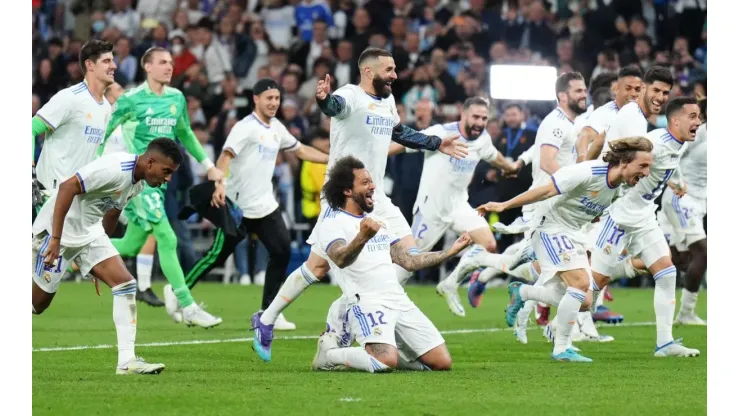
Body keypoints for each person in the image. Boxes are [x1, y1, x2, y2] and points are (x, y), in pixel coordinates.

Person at [251, 47, 467, 362]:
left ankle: (363, 313)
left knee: (409, 254)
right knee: (318, 266)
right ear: (368, 71)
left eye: (395, 69)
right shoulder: (349, 95)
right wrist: (324, 99)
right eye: (389, 69)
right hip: (343, 196)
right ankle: (267, 320)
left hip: (375, 196)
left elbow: (399, 132)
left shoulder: (389, 101)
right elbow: (334, 107)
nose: (395, 75)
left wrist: (435, 143)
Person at [478, 137, 654, 362]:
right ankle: (562, 348)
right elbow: (545, 191)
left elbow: (591, 213)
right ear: (625, 162)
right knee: (580, 283)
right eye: (643, 166)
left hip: (573, 234)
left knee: (585, 302)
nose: (647, 173)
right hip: (549, 227)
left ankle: (522, 292)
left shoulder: (616, 190)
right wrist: (504, 206)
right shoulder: (587, 172)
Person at [183, 78, 330, 330]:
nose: (274, 103)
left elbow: (302, 150)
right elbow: (226, 155)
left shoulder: (276, 128)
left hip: (265, 206)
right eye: (269, 98)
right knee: (215, 258)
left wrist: (331, 159)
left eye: (277, 98)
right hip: (238, 207)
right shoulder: (245, 127)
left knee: (282, 251)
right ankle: (179, 294)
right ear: (256, 99)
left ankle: (268, 312)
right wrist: (219, 183)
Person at [32, 138, 183, 374]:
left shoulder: (138, 184)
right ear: (151, 162)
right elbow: (67, 187)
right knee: (37, 304)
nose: (168, 178)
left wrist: (99, 260)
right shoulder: (114, 169)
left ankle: (127, 362)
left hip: (90, 234)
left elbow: (112, 214)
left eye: (172, 173)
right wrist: (55, 240)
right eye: (167, 171)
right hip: (57, 232)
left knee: (126, 284)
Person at [98, 47, 225, 328]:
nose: (169, 67)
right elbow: (103, 131)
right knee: (167, 239)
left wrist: (208, 164)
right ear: (147, 66)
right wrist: (91, 165)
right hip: (138, 180)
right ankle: (187, 305)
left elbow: (185, 134)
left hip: (161, 184)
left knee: (130, 245)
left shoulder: (176, 98)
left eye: (170, 63)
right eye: (163, 62)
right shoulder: (131, 100)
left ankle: (74, 254)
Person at [310, 156, 472, 373]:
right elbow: (339, 258)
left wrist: (450, 252)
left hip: (397, 299)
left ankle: (389, 348)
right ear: (347, 191)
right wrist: (362, 238)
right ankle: (329, 355)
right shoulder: (332, 223)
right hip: (366, 301)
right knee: (384, 363)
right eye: (365, 182)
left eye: (371, 181)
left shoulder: (378, 221)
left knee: (442, 363)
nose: (373, 186)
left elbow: (409, 261)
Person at [468, 72, 588, 323]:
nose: (583, 94)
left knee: (545, 266)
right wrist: (577, 184)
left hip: (562, 205)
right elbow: (546, 161)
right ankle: (483, 265)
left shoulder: (570, 123)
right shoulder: (555, 123)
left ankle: (494, 276)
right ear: (562, 95)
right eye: (578, 91)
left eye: (584, 90)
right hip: (547, 205)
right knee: (572, 282)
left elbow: (540, 150)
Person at [590, 96, 702, 357]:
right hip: (619, 216)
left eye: (699, 116)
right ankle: (541, 306)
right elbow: (618, 160)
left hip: (645, 217)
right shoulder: (654, 143)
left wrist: (677, 182)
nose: (699, 121)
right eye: (693, 117)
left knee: (667, 271)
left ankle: (665, 343)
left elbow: (669, 166)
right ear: (675, 121)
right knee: (593, 285)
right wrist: (598, 200)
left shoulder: (679, 144)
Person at [389, 96, 520, 316]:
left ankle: (450, 283)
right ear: (463, 114)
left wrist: (509, 167)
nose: (480, 122)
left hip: (459, 206)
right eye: (476, 117)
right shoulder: (441, 132)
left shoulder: (483, 139)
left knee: (488, 243)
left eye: (484, 118)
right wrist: (373, 155)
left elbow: (493, 155)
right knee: (406, 266)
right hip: (431, 210)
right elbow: (403, 146)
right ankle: (381, 299)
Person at [32, 39, 116, 194]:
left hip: (79, 195)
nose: (114, 66)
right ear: (90, 65)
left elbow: (97, 150)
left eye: (113, 61)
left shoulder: (105, 107)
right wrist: (30, 173)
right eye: (107, 61)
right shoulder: (69, 97)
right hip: (52, 192)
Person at [658, 97, 707, 325]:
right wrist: (672, 181)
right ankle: (686, 313)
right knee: (704, 253)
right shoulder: (701, 134)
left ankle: (613, 267)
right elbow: (672, 151)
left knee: (680, 260)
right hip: (681, 198)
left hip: (697, 203)